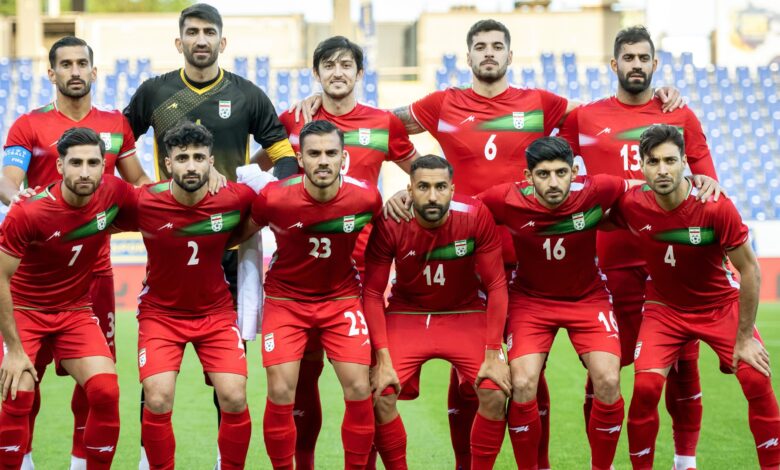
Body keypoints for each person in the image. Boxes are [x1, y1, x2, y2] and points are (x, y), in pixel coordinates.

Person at [292, 19, 683, 467]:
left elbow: (599, 114)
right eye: (481, 47)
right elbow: (382, 121)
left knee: (525, 376)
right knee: (483, 377)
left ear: (510, 55)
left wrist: (655, 98)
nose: (490, 53)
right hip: (462, 253)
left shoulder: (539, 103)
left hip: (524, 260)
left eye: (498, 46)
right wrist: (326, 107)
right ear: (468, 56)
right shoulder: (443, 103)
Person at [122, 4, 297, 466]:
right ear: (179, 42)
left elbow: (283, 154)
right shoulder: (155, 91)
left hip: (230, 244)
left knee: (228, 380)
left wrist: (257, 195)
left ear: (223, 41)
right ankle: (148, 459)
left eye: (209, 32)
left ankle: (225, 460)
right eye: (193, 32)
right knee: (157, 384)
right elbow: (118, 141)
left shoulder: (246, 94)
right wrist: (145, 184)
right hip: (173, 236)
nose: (201, 40)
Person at [556, 27, 717, 469]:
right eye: (628, 58)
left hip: (673, 263)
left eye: (644, 58)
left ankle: (685, 462)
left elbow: (707, 182)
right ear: (614, 64)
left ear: (655, 64)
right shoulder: (585, 118)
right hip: (612, 262)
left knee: (683, 366)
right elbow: (554, 168)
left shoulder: (679, 116)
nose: (636, 65)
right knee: (604, 369)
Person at [255, 35, 419, 469]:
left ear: (359, 73)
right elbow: (258, 168)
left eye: (346, 65)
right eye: (328, 65)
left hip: (359, 275)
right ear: (316, 73)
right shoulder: (294, 119)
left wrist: (404, 195)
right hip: (299, 273)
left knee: (367, 384)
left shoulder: (383, 122)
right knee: (299, 384)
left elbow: (422, 173)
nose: (338, 73)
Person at [0, 35, 151, 470]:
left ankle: (81, 461)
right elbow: (9, 178)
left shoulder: (115, 125)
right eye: (65, 64)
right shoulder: (29, 125)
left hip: (93, 274)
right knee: (25, 378)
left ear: (94, 70)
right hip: (35, 267)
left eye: (82, 63)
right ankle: (24, 456)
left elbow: (138, 184)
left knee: (98, 386)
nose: (75, 71)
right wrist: (17, 199)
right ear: (51, 73)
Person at [612, 124, 780, 469]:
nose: (662, 170)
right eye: (653, 162)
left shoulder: (716, 207)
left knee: (756, 377)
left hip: (719, 305)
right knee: (645, 388)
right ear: (641, 166)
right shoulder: (631, 204)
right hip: (664, 309)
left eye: (670, 160)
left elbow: (750, 269)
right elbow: (591, 213)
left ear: (684, 162)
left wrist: (745, 338)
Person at [233, 120, 382, 468]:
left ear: (343, 157)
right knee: (280, 390)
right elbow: (240, 234)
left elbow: (388, 233)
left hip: (341, 301)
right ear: (300, 159)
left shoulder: (365, 196)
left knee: (359, 388)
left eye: (331, 153)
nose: (323, 161)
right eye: (314, 154)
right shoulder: (275, 197)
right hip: (286, 302)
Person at [477, 137, 633, 470]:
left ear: (574, 171)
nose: (553, 182)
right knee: (522, 383)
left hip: (588, 298)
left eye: (561, 173)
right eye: (543, 174)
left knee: (608, 380)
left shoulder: (598, 189)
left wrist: (697, 183)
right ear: (528, 176)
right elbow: (462, 210)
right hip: (530, 301)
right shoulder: (507, 198)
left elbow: (643, 189)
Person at [112, 122, 256, 470]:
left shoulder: (236, 198)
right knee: (157, 398)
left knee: (235, 397)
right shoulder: (144, 201)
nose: (191, 166)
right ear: (168, 164)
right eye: (182, 158)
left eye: (198, 158)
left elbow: (275, 208)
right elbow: (96, 215)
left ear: (211, 161)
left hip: (216, 314)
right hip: (161, 315)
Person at [362, 155, 510, 469]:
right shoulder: (391, 221)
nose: (432, 196)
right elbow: (373, 293)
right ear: (409, 190)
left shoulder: (475, 214)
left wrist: (493, 354)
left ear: (452, 189)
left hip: (465, 312)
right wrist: (382, 361)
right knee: (379, 392)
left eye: (440, 187)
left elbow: (497, 285)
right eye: (423, 187)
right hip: (408, 314)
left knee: (496, 391)